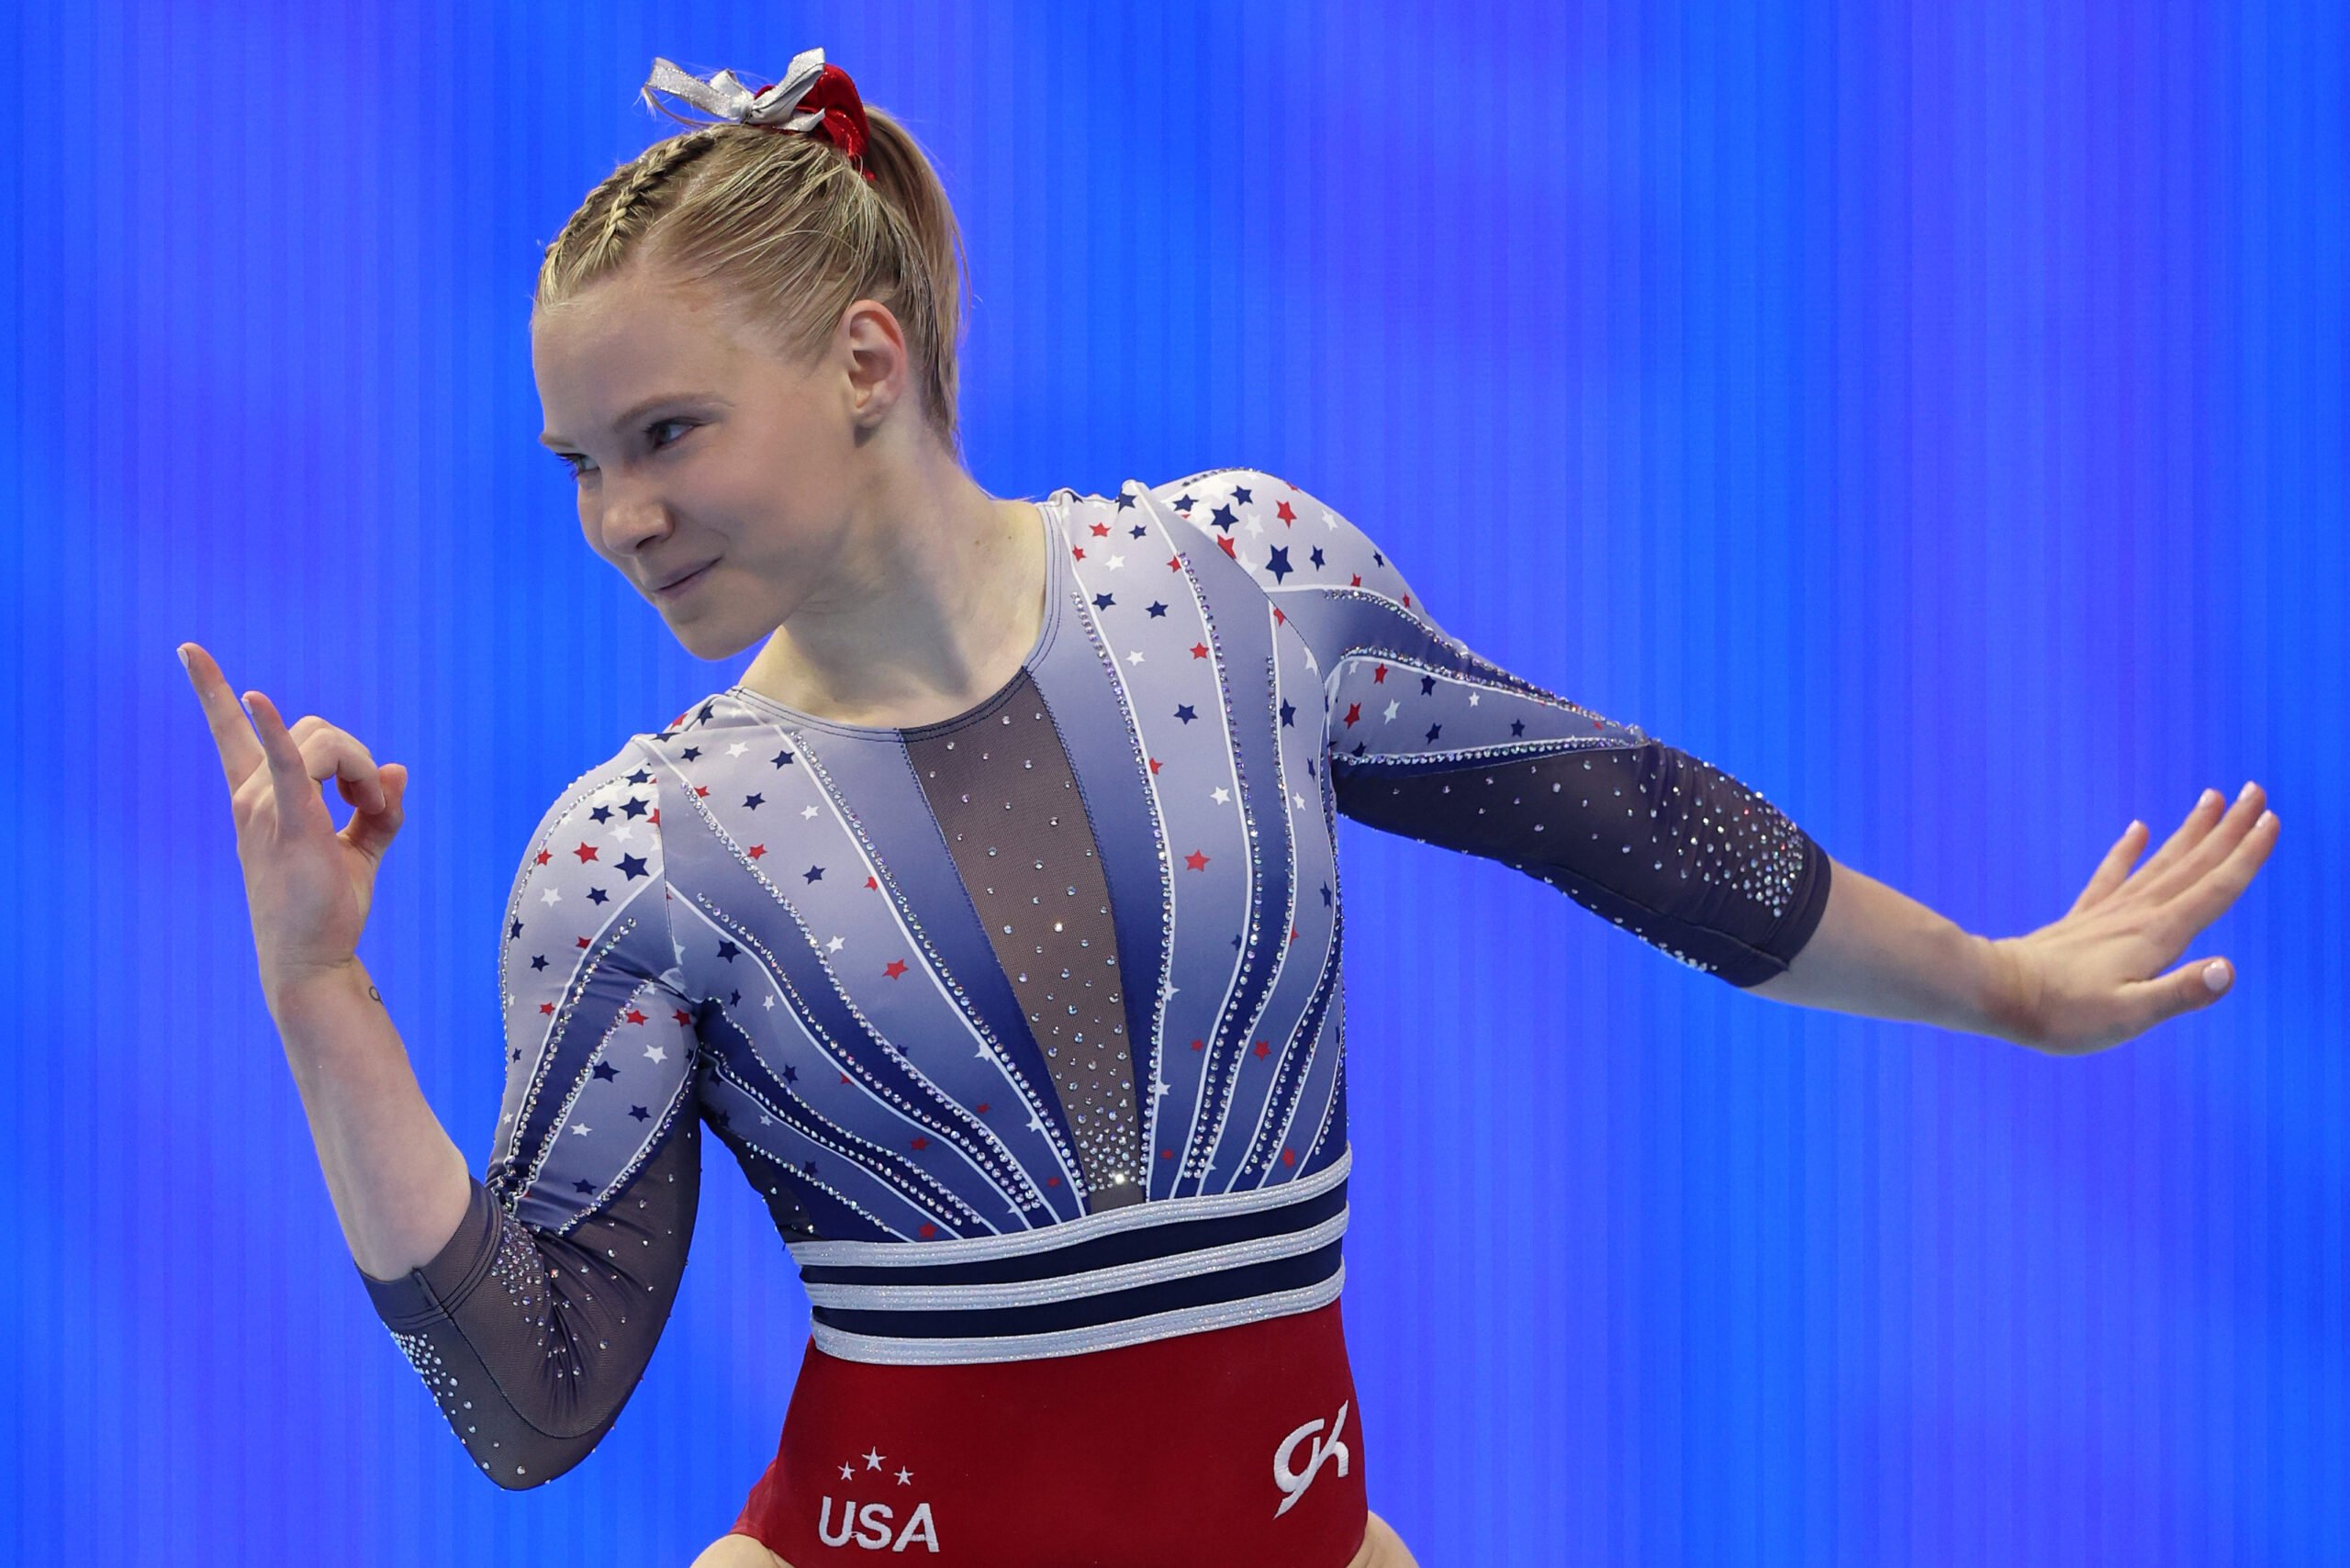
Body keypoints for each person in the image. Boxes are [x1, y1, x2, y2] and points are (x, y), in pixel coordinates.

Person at [181, 47, 1840, 1566]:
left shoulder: (1236, 586)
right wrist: (318, 990)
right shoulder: (640, 854)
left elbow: (1630, 820)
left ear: (864, 359)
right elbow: (529, 1402)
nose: (617, 515)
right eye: (578, 464)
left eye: (665, 431)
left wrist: (2005, 982)